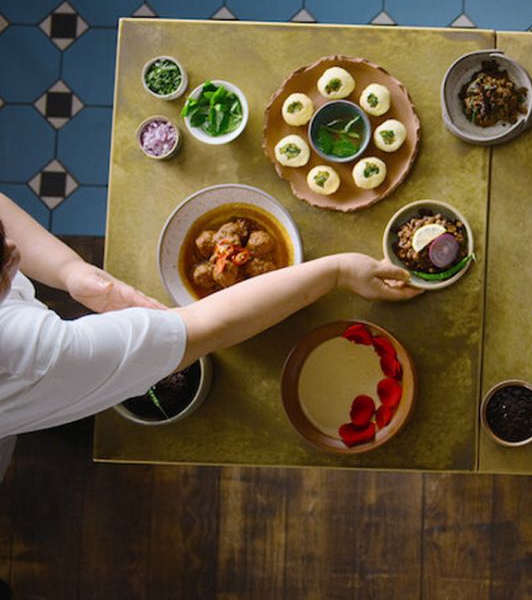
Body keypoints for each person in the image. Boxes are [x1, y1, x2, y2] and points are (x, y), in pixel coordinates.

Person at [0, 193, 421, 478]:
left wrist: (69, 271)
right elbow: (202, 329)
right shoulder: (31, 347)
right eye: (5, 263)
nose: (12, 247)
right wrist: (340, 270)